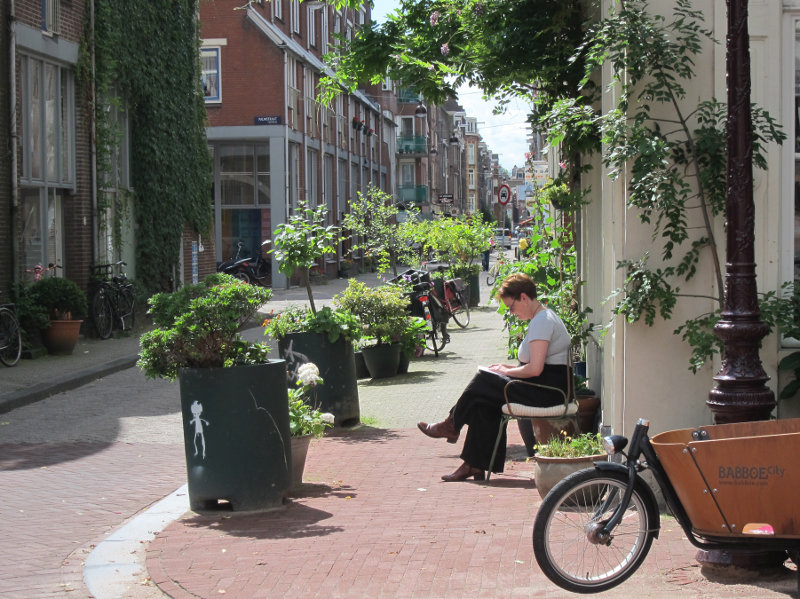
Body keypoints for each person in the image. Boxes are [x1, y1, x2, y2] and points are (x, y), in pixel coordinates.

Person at [417, 272, 571, 481]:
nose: (512, 312)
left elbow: (535, 369)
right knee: (484, 401)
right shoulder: (542, 317)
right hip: (544, 386)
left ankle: (451, 425)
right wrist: (505, 367)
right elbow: (535, 365)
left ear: (524, 297)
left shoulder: (542, 321)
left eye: (512, 306)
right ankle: (473, 464)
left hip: (549, 392)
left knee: (483, 380)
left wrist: (506, 371)